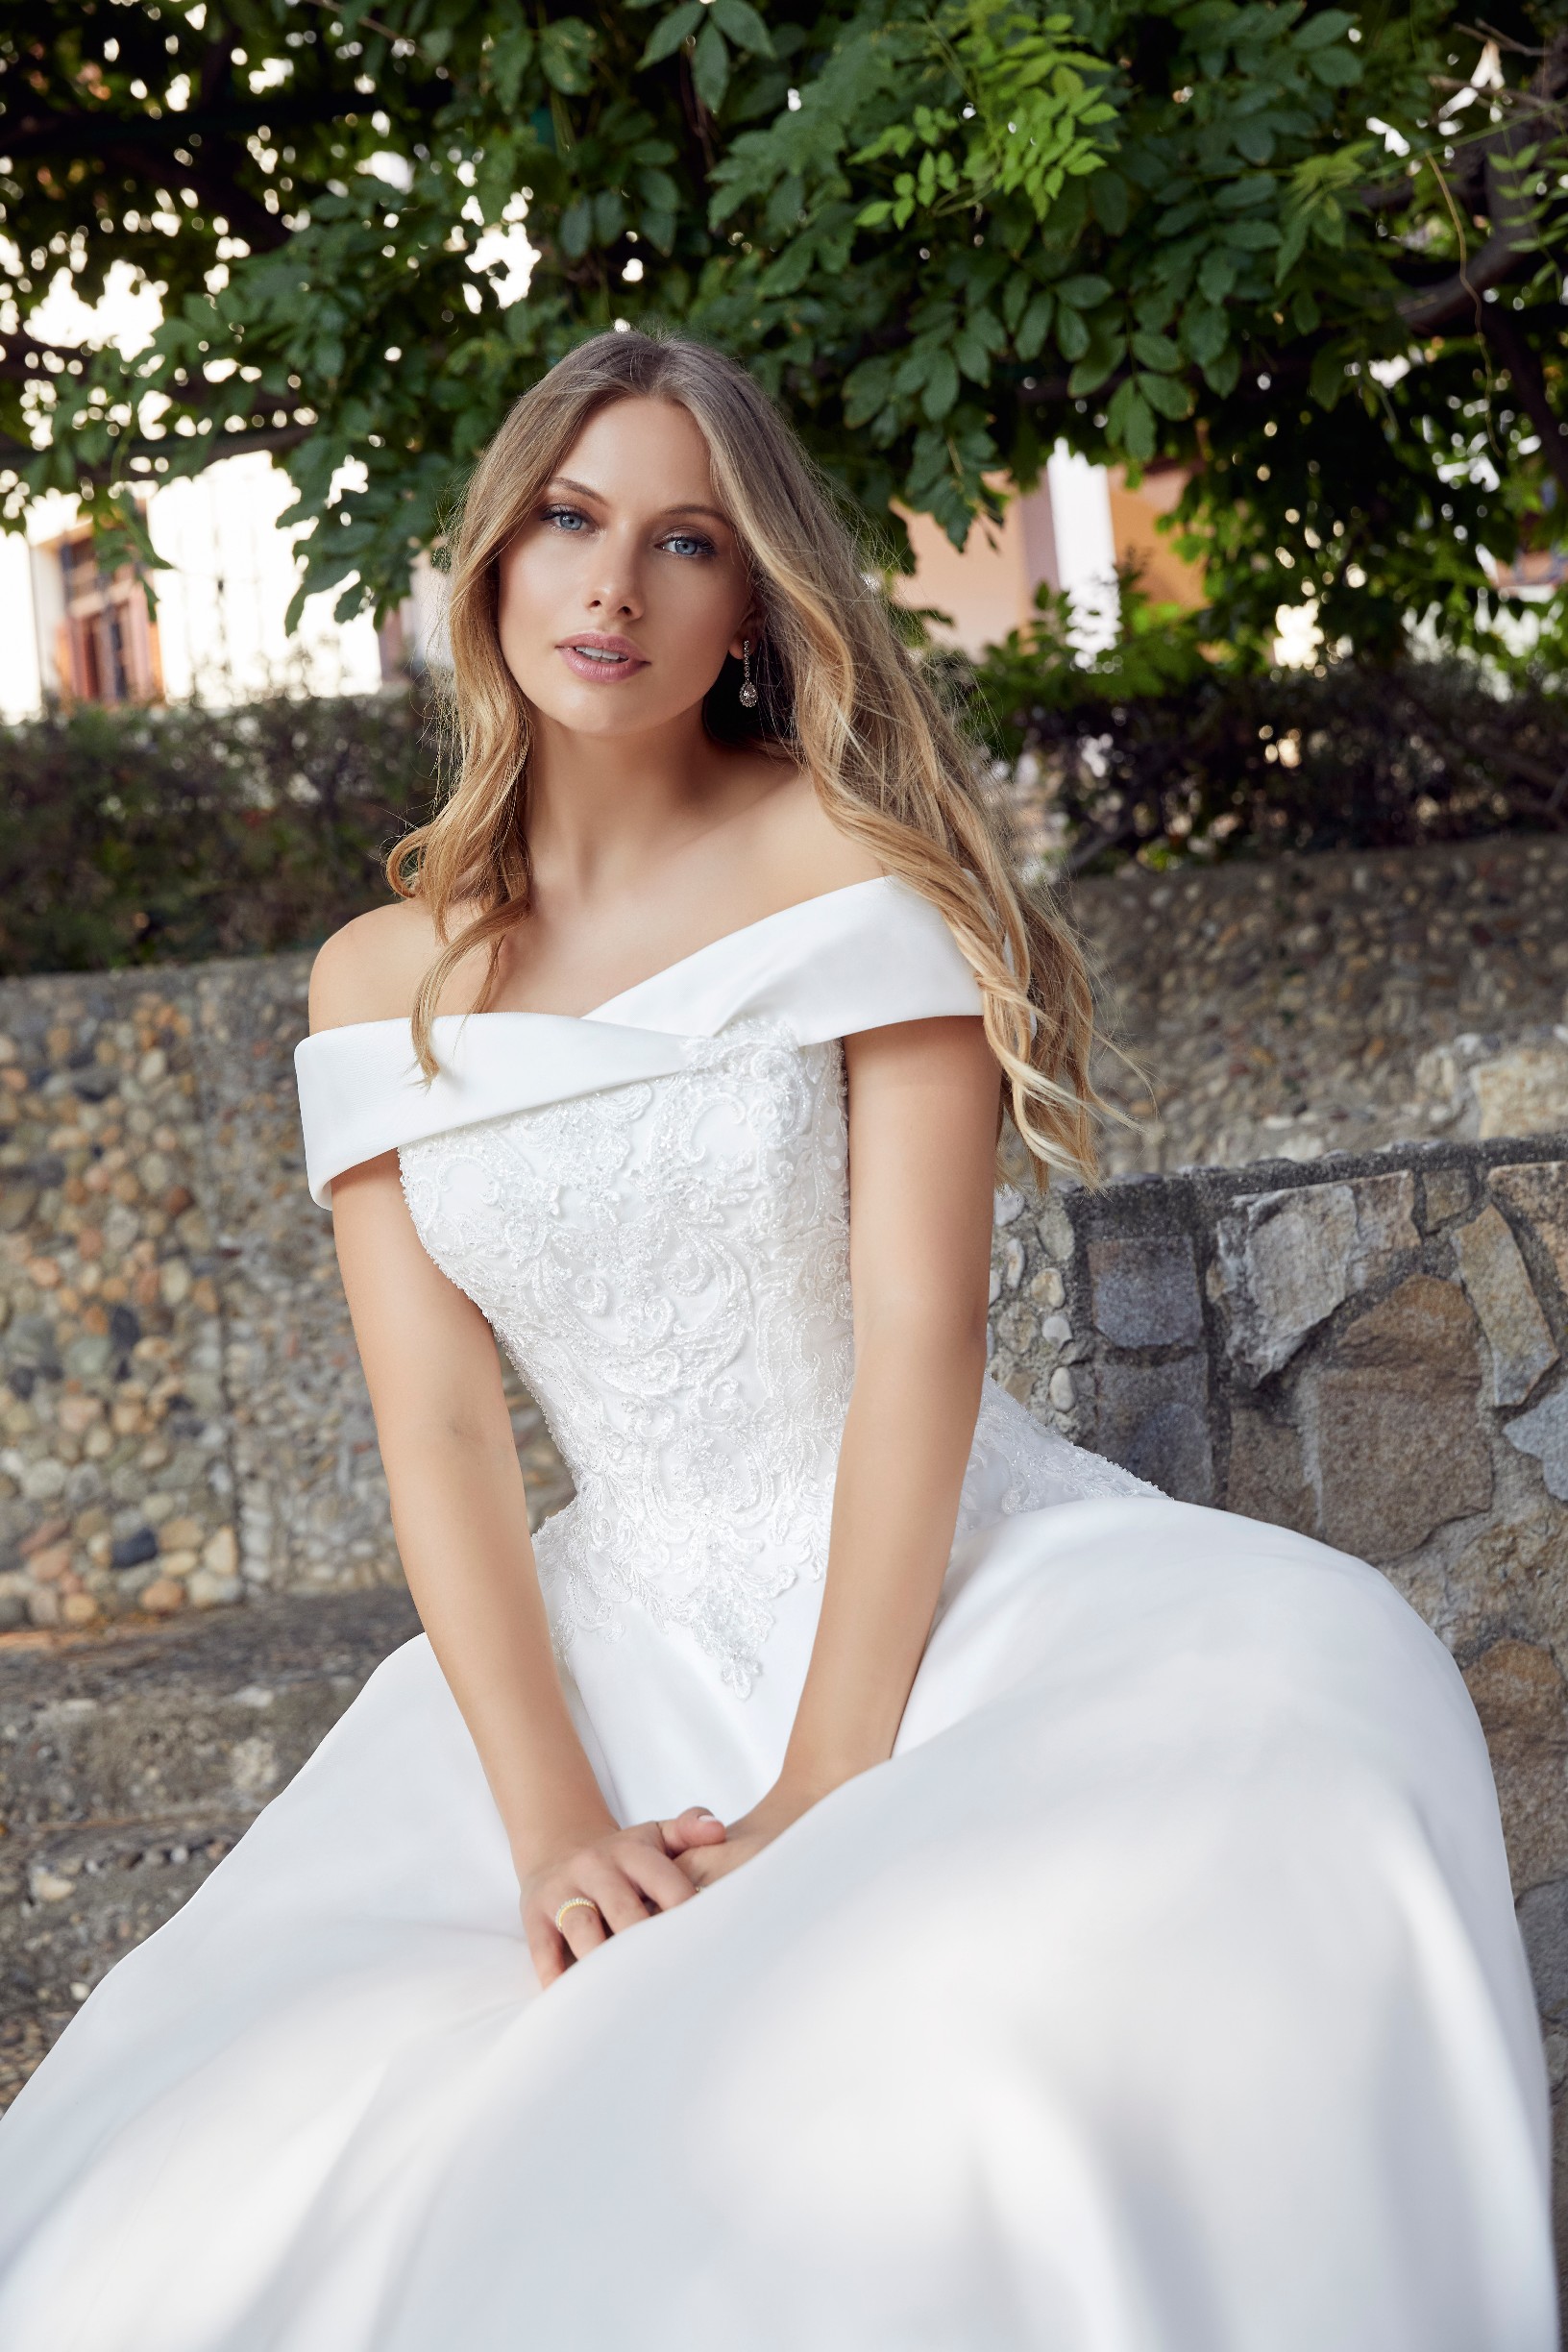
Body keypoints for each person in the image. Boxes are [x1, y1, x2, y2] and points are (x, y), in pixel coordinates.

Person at [0, 329, 1552, 2351]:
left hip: (936, 1581)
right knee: (271, 2169)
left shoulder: (853, 872)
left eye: (684, 541)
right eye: (567, 520)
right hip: (598, 1648)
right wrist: (557, 1828)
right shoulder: (376, 981)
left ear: (751, 604)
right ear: (492, 557)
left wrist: (830, 1781)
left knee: (1195, 1853)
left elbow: (915, 1336)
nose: (609, 587)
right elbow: (443, 1436)